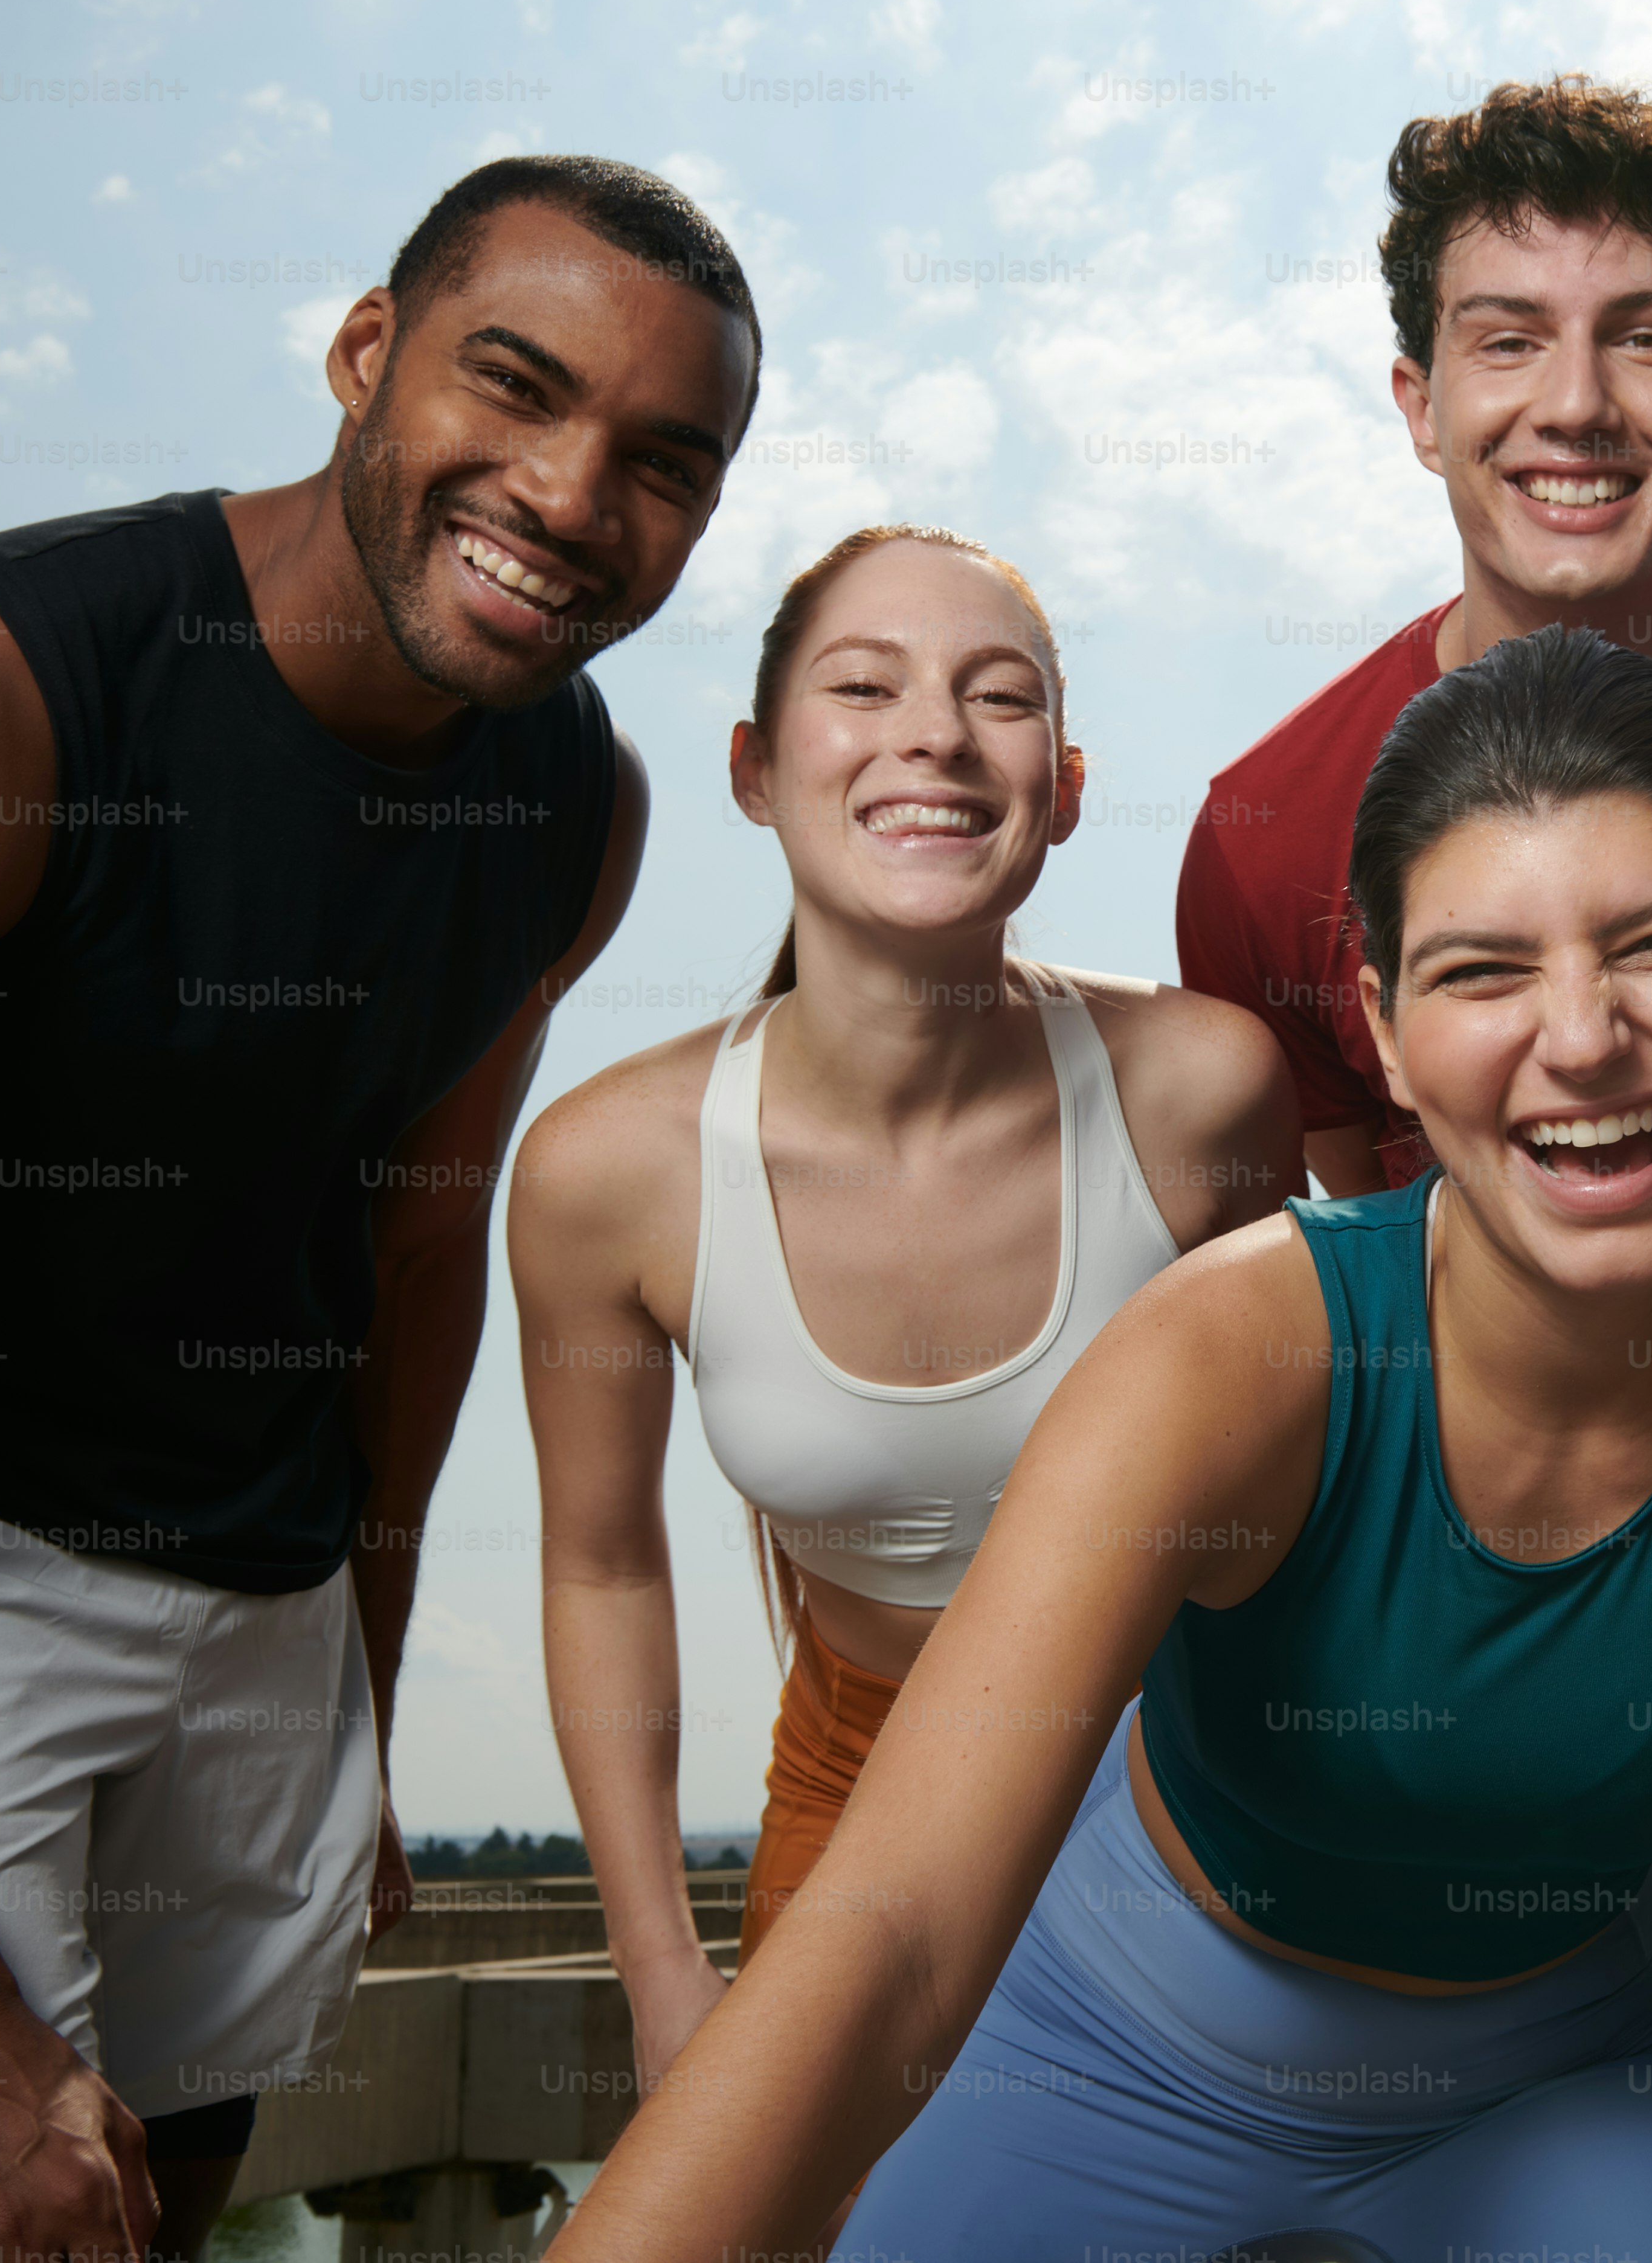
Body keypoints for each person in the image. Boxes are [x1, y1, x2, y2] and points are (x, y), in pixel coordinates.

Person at [545, 631, 1652, 2261]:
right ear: (1383, 1030)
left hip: (1576, 2068)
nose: (1584, 1037)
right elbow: (898, 1941)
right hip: (1108, 2041)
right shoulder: (1231, 1352)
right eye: (1482, 971)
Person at [0, 153, 753, 2263]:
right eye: (515, 384)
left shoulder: (579, 796)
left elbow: (413, 1243)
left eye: (664, 462)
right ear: (366, 352)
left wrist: (357, 1687)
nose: (573, 495)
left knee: (157, 2232)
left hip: (267, 1615)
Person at [510, 521, 1295, 2079]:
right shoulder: (606, 1171)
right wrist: (661, 1967)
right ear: (754, 769)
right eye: (864, 686)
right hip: (854, 1779)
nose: (934, 732)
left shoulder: (1208, 1089)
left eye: (999, 695)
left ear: (1065, 789)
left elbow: (1315, 1481)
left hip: (1195, 1771)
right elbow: (602, 1564)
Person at [1174, 74, 1652, 1216]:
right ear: (1421, 408)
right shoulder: (1264, 840)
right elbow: (1376, 1234)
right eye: (1507, 342)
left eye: (1646, 338)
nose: (1575, 404)